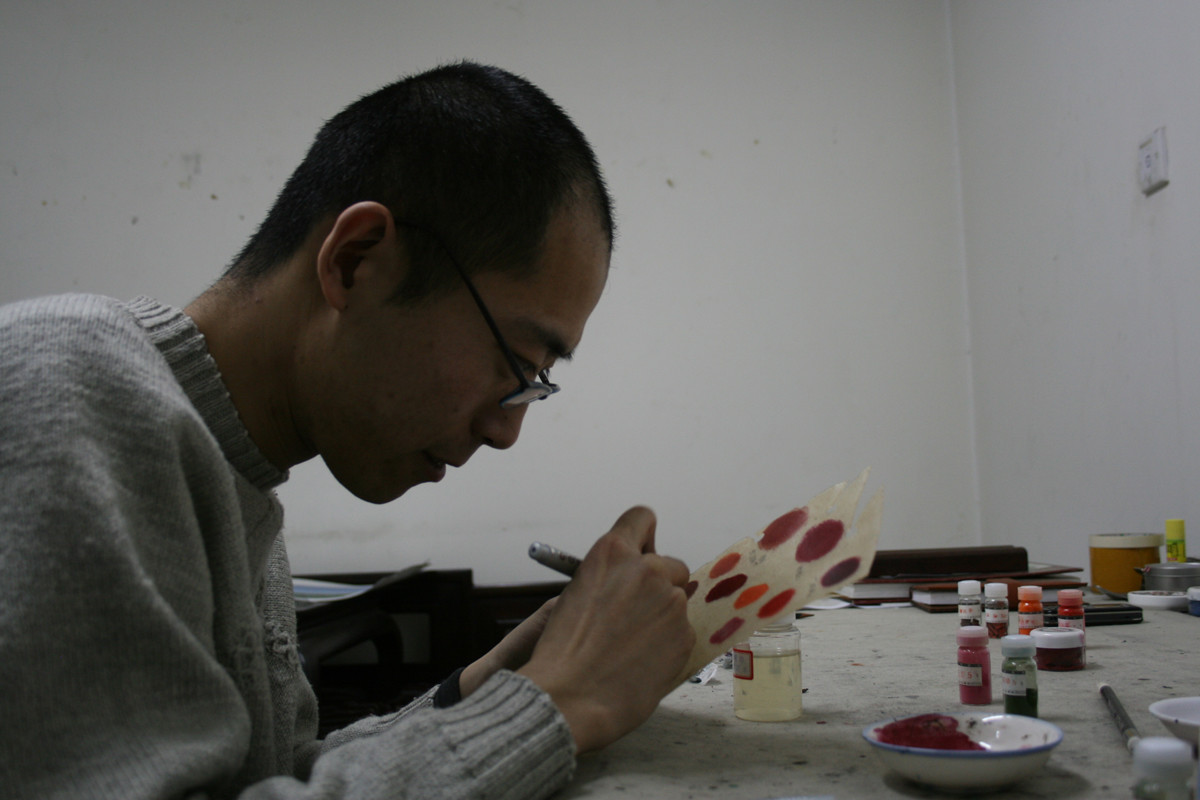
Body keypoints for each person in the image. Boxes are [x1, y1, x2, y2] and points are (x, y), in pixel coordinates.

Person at [0, 61, 695, 800]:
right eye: (515, 363)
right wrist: (555, 703)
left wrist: (496, 685)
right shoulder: (61, 383)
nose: (505, 432)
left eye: (536, 385)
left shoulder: (236, 489)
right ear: (357, 261)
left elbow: (273, 782)